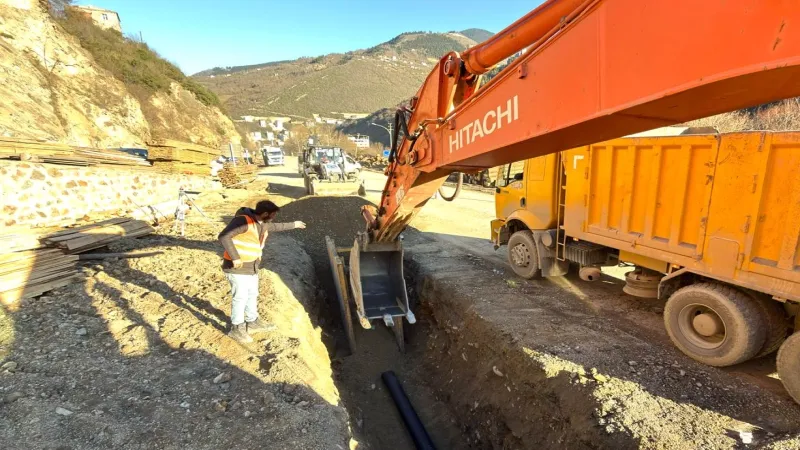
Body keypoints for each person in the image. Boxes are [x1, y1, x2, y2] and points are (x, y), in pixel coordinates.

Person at [218, 200, 306, 343]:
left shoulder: (261, 223)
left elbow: (276, 226)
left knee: (252, 294)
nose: (273, 218)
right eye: (272, 215)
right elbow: (224, 236)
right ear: (265, 213)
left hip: (252, 266)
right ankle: (236, 328)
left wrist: (295, 224)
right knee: (240, 297)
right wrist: (235, 258)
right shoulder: (243, 221)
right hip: (237, 267)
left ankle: (252, 322)